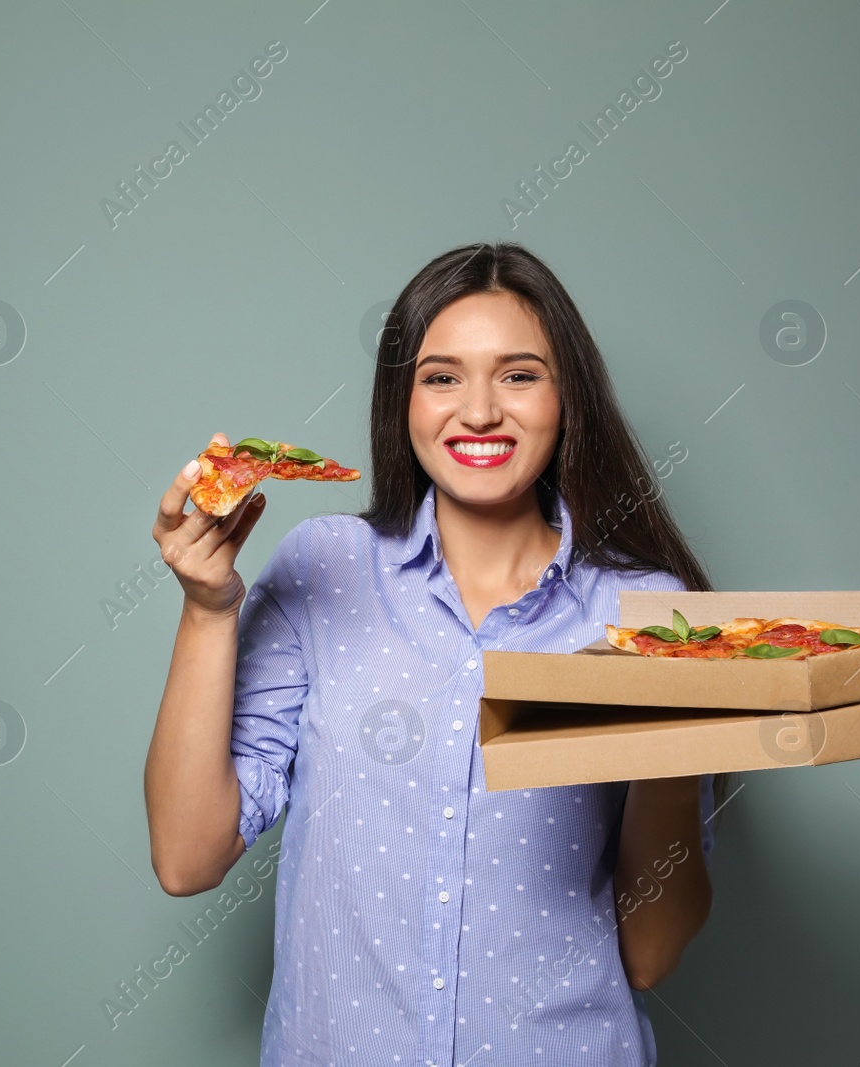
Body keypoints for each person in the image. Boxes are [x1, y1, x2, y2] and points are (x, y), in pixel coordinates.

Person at [143, 241, 726, 1066]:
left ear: (568, 399)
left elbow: (649, 954)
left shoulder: (648, 613)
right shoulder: (322, 568)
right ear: (403, 402)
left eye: (520, 375)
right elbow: (186, 855)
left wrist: (674, 734)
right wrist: (208, 609)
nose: (480, 411)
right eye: (442, 376)